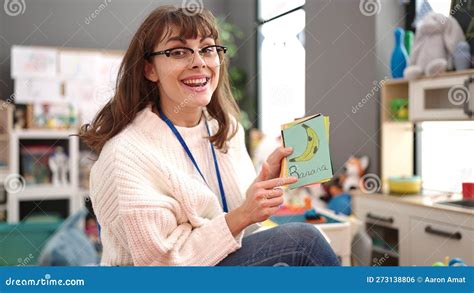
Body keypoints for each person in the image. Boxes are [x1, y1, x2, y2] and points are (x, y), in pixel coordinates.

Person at [80, 5, 339, 266]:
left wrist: (259, 190)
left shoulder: (226, 131)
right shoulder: (125, 155)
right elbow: (161, 265)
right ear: (150, 69)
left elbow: (242, 230)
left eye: (207, 49)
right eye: (179, 51)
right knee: (304, 243)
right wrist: (243, 215)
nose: (199, 62)